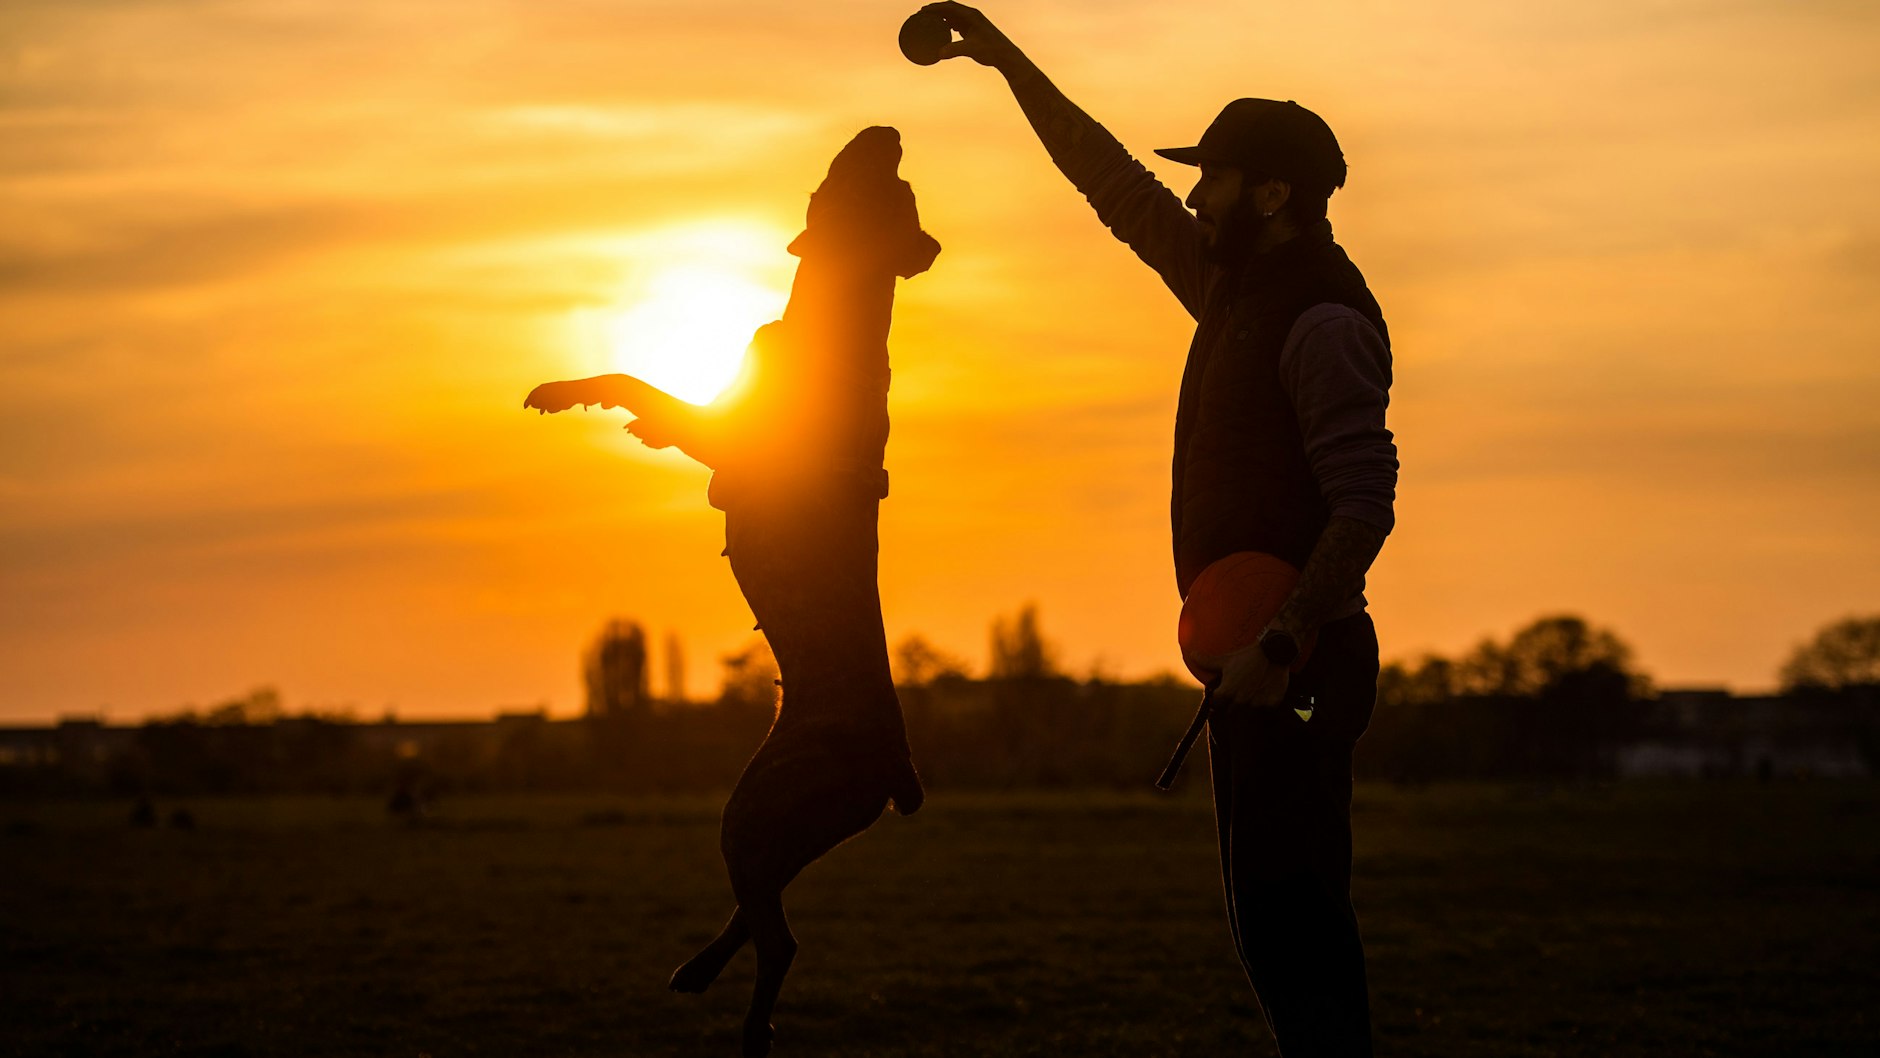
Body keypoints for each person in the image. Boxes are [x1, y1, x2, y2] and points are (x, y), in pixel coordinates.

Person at [918, 5, 1398, 1054]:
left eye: (1213, 176)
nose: (1191, 191)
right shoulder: (1230, 286)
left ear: (1269, 193)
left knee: (1298, 924)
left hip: (1297, 663)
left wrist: (1279, 642)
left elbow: (1365, 498)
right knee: (1266, 928)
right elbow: (1113, 186)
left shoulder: (1318, 318)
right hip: (1253, 666)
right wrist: (1004, 60)